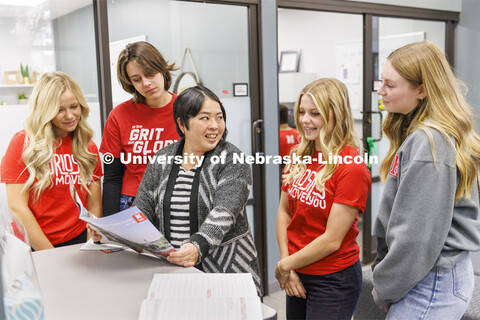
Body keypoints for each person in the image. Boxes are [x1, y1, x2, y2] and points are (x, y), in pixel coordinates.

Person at [371, 41, 480, 319]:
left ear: (421, 90)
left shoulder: (429, 142)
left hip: (430, 280)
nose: (380, 91)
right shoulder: (423, 134)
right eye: (380, 82)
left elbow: (416, 238)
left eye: (390, 85)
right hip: (433, 274)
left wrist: (386, 287)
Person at [133, 85, 262, 295]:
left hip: (226, 273)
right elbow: (142, 208)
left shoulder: (232, 159)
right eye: (205, 118)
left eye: (219, 117)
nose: (215, 126)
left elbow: (224, 213)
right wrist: (122, 232)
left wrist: (197, 246)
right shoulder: (163, 158)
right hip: (175, 273)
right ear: (182, 124)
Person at [276, 78, 371, 320]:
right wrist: (288, 263)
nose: (305, 120)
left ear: (336, 115)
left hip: (333, 279)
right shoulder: (298, 155)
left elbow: (332, 240)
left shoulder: (351, 167)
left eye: (315, 113)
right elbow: (284, 212)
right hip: (296, 270)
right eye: (301, 112)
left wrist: (285, 266)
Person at [0, 71, 103, 250]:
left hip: (79, 240)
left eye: (74, 106)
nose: (70, 116)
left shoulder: (88, 147)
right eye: (59, 110)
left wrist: (89, 245)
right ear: (45, 111)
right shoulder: (23, 144)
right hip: (35, 244)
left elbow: (93, 203)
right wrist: (50, 254)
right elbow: (17, 207)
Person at [100, 41, 180, 216]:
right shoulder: (119, 115)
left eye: (150, 74)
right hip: (131, 204)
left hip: (178, 202)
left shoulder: (186, 109)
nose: (146, 83)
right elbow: (112, 178)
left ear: (162, 69)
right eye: (137, 79)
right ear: (130, 83)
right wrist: (109, 226)